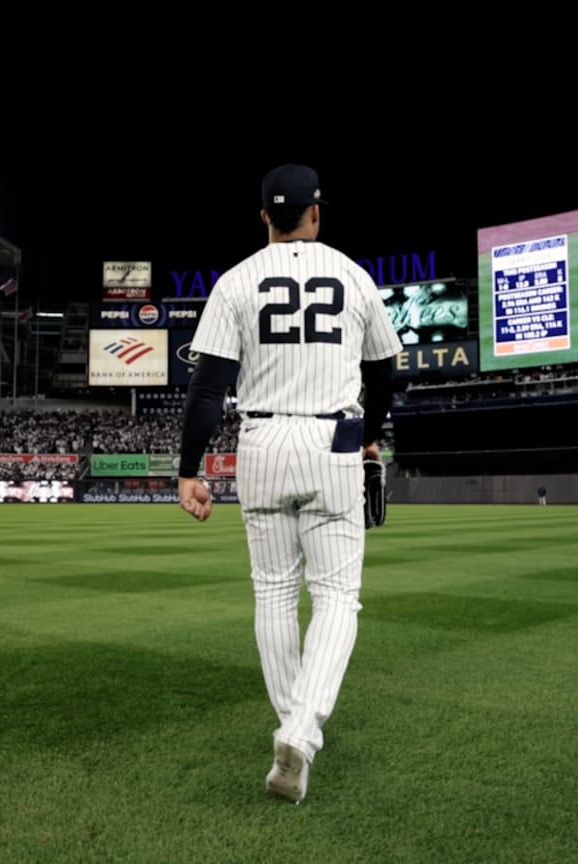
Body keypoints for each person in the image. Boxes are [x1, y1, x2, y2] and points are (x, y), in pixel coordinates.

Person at [177, 163, 402, 805]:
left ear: (263, 218)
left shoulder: (235, 281)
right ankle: (300, 732)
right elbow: (385, 371)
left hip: (263, 440)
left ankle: (293, 732)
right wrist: (370, 433)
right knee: (336, 596)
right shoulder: (353, 275)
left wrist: (189, 471)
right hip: (334, 438)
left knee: (274, 593)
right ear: (317, 213)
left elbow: (207, 390)